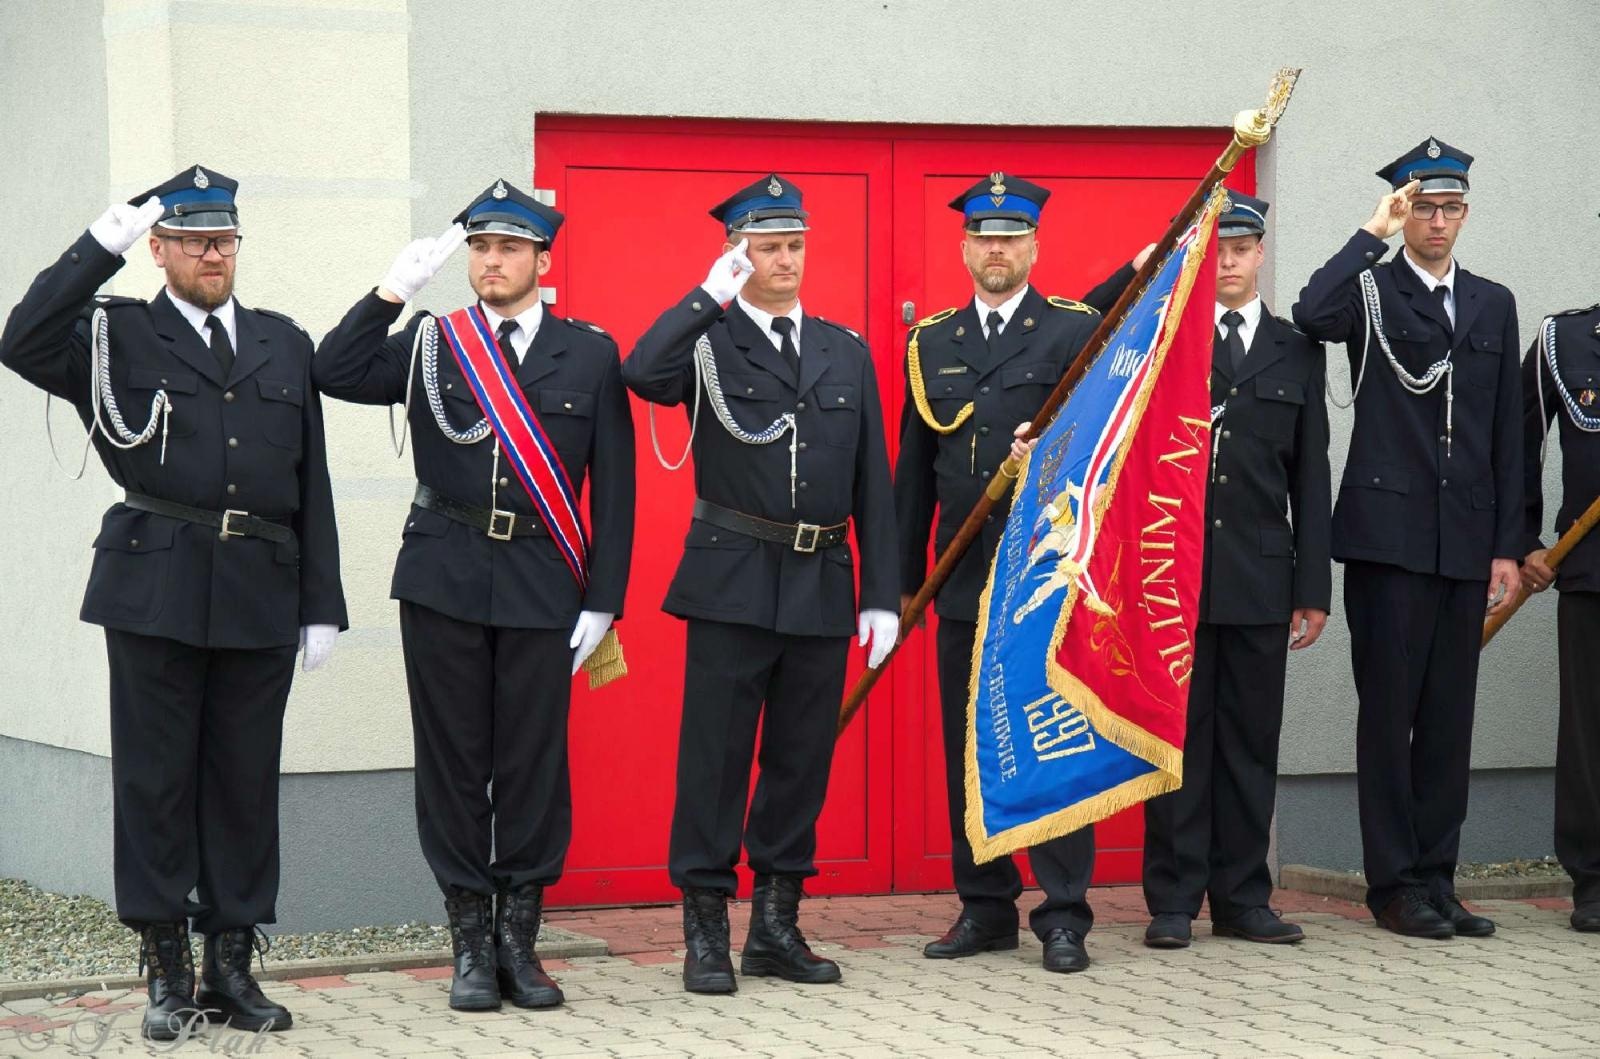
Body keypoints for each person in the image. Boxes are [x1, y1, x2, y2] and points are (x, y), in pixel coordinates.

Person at [0, 165, 346, 1039]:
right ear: (157, 250)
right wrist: (98, 243)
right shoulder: (115, 334)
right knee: (156, 783)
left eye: (223, 239)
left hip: (261, 584)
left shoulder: (283, 342)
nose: (211, 253)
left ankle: (232, 965)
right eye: (192, 239)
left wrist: (320, 602)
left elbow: (314, 481)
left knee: (242, 785)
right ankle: (165, 970)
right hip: (154, 582)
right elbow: (21, 337)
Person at [312, 179, 635, 1010]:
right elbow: (333, 369)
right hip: (445, 573)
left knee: (531, 762)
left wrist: (605, 597)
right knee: (454, 760)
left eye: (510, 249)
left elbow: (617, 487)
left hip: (542, 581)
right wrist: (392, 292)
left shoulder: (589, 352)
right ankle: (467, 940)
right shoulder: (431, 342)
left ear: (542, 260)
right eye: (482, 249)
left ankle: (519, 944)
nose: (492, 263)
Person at [623, 173, 899, 994]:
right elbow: (642, 371)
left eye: (794, 244)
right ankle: (705, 928)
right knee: (714, 760)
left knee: (799, 760)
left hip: (821, 578)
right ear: (739, 253)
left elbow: (871, 485)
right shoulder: (707, 341)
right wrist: (705, 298)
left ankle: (776, 926)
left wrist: (880, 592)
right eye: (768, 246)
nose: (785, 260)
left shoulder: (843, 349)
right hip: (732, 576)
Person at [1293, 138, 1521, 939]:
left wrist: (1506, 542)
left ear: (1466, 213)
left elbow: (1505, 430)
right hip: (1388, 540)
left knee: (1450, 717)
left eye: (1448, 207)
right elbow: (1309, 312)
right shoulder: (1372, 290)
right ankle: (1393, 886)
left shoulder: (1492, 302)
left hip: (1463, 540)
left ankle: (1438, 877)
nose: (1436, 221)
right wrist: (1371, 231)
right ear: (1404, 210)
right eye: (1421, 206)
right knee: (1389, 716)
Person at [893, 172, 1102, 974]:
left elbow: (1102, 451)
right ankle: (984, 906)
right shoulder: (932, 342)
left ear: (1034, 246)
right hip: (964, 574)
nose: (996, 250)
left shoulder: (1074, 331)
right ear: (964, 247)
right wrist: (906, 580)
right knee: (970, 745)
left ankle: (1063, 911)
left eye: (1011, 237)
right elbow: (913, 470)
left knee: (1049, 737)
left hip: (1046, 575)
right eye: (984, 237)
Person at [1135, 193, 1332, 949]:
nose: (1228, 262)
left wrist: (1312, 589)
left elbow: (1309, 479)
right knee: (1176, 743)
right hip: (1172, 576)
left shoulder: (1295, 350)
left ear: (1259, 254)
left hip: (1258, 577)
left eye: (1241, 249)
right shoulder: (1166, 341)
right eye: (1216, 250)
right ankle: (1174, 899)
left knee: (1250, 741)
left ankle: (1244, 896)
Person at [1518, 296, 1600, 934]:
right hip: (1591, 573)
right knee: (1588, 735)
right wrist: (1525, 544)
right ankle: (1594, 882)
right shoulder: (1563, 340)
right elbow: (1518, 446)